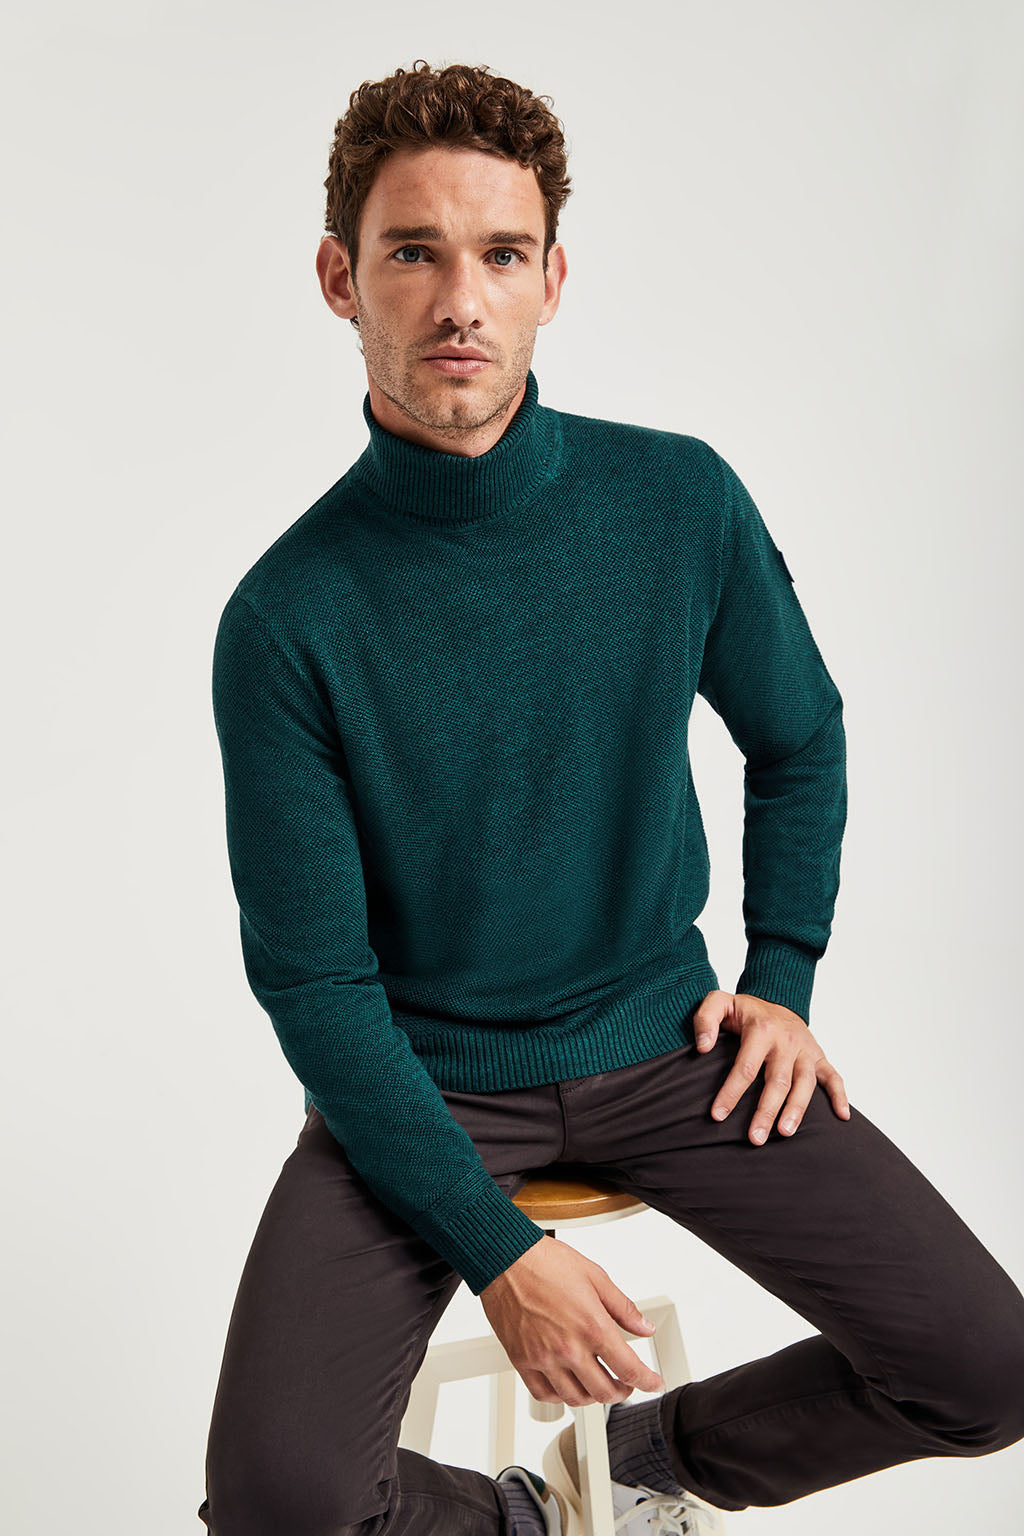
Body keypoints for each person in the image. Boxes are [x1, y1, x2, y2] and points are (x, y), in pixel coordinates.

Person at [197, 58, 1024, 1536]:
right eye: (413, 253)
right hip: (424, 1082)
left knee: (988, 1367)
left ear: (553, 280)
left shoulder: (677, 503)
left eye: (503, 255)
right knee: (276, 1505)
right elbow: (315, 985)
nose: (462, 301)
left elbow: (802, 738)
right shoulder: (286, 618)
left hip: (667, 1046)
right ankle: (531, 1518)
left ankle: (642, 1463)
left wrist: (781, 979)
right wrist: (500, 1253)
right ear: (340, 279)